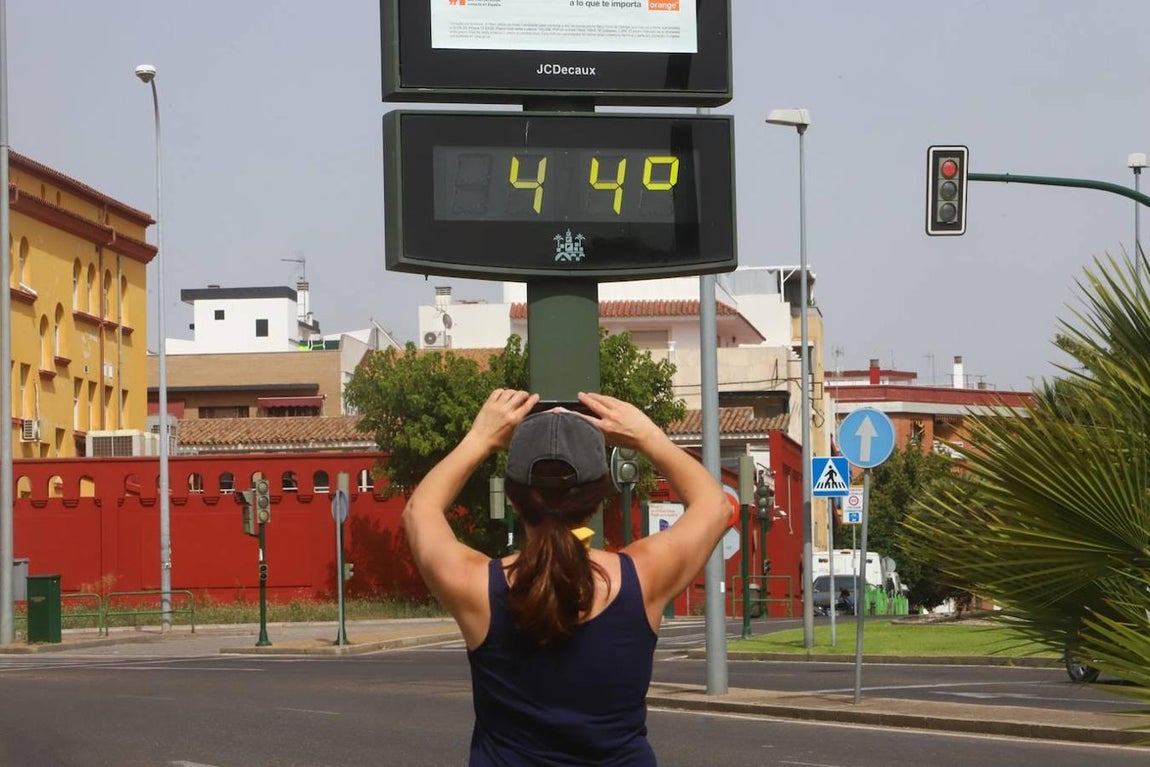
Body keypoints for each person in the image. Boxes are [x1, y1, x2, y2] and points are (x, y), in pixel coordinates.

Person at [402, 389, 730, 765]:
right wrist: (647, 436)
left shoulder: (476, 586)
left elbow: (419, 510)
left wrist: (480, 439)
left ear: (512, 498)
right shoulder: (643, 577)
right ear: (598, 500)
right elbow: (714, 505)